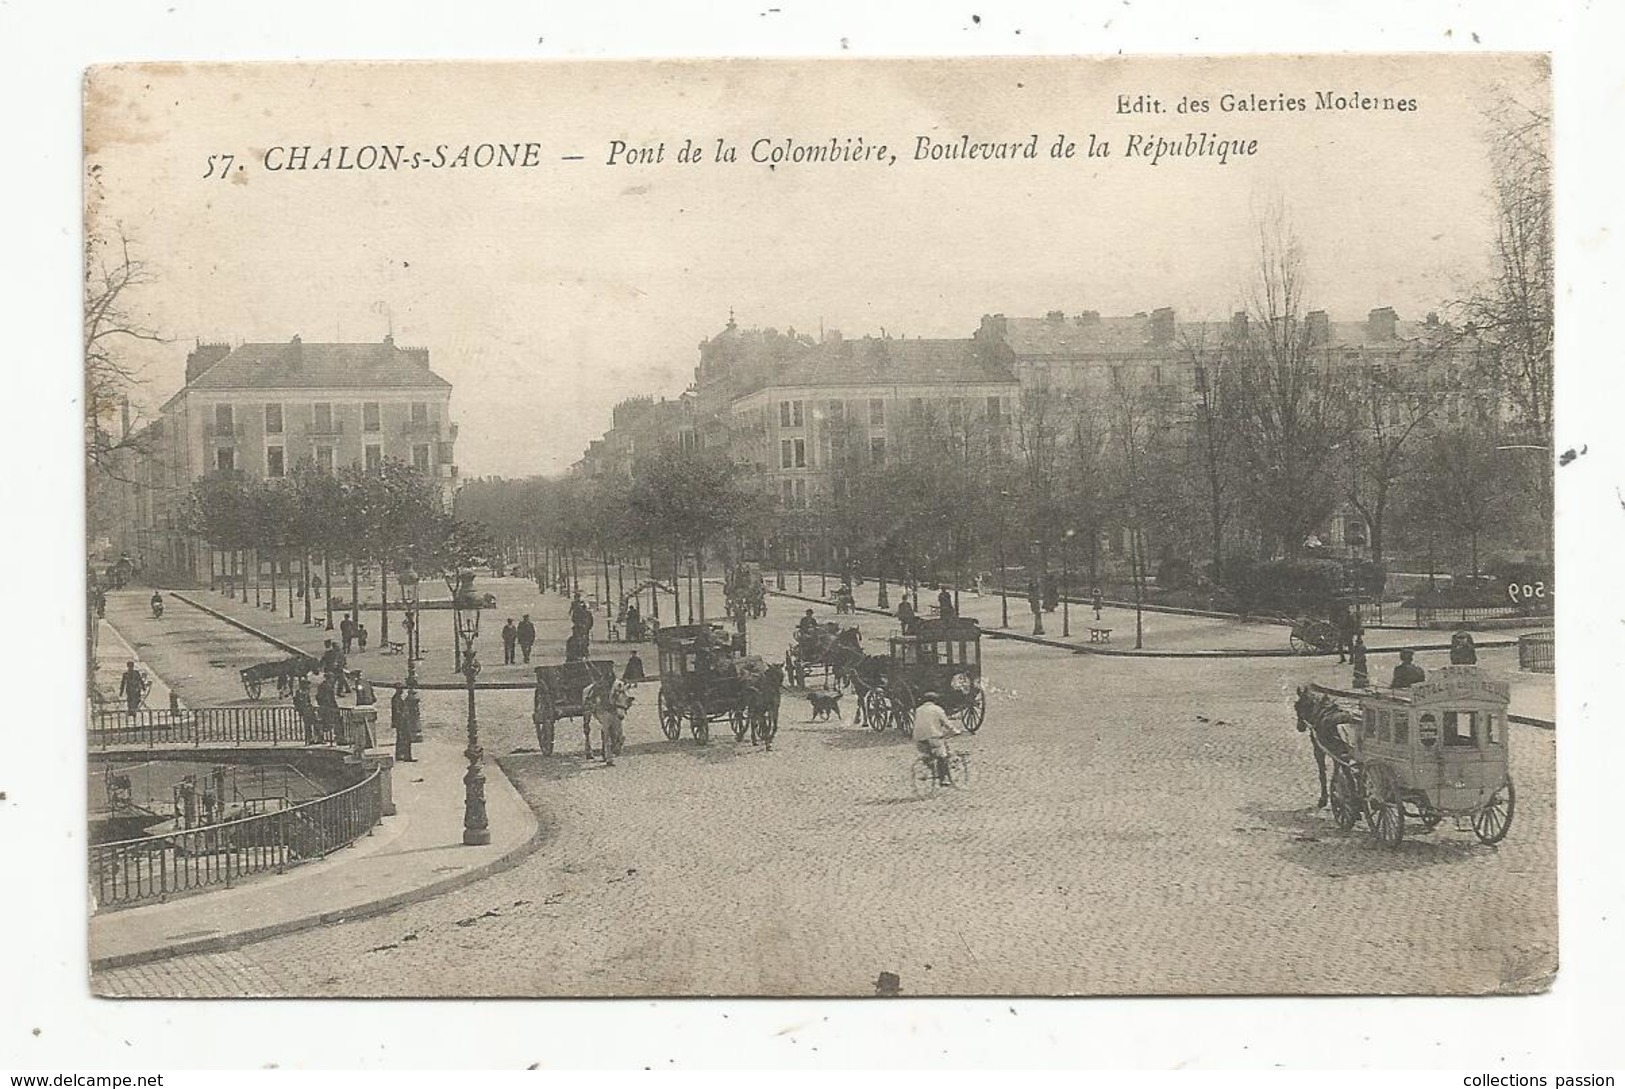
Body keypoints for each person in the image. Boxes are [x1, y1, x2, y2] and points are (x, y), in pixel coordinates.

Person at [912, 690, 959, 786]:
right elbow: (947, 723)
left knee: (928, 755)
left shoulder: (918, 710)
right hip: (933, 736)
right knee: (942, 756)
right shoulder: (938, 709)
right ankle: (943, 779)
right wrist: (955, 731)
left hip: (918, 738)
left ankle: (929, 768)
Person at [314, 672, 340, 744]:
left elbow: (318, 697)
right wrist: (334, 706)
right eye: (332, 678)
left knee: (323, 723)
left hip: (324, 707)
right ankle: (334, 738)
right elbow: (331, 699)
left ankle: (321, 738)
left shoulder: (323, 686)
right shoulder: (327, 686)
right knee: (328, 723)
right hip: (327, 708)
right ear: (329, 678)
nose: (333, 679)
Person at [294, 675, 319, 744]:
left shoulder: (303, 692)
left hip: (307, 710)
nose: (309, 687)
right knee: (312, 724)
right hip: (307, 711)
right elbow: (301, 702)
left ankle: (311, 739)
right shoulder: (301, 692)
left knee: (310, 725)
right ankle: (312, 739)